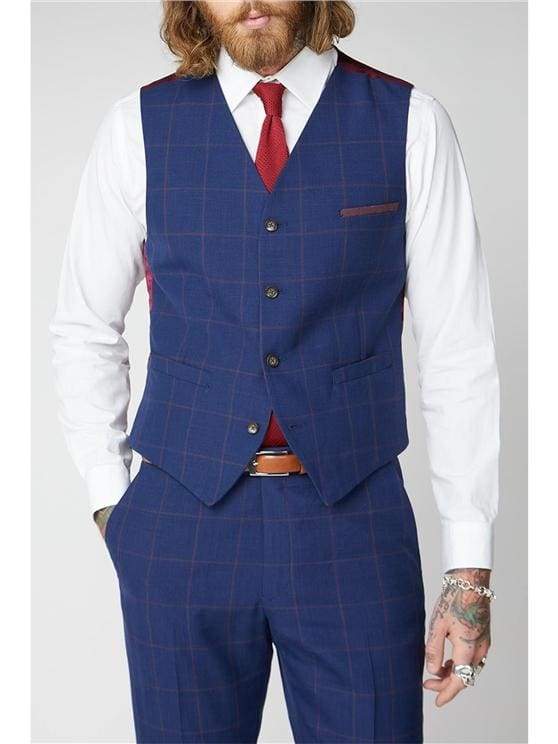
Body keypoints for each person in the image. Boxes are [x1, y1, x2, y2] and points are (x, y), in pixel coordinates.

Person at [51, 2, 500, 742]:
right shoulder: (136, 125)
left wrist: (470, 565)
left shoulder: (411, 123)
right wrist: (112, 505)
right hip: (182, 523)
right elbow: (83, 326)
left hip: (354, 525)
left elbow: (460, 349)